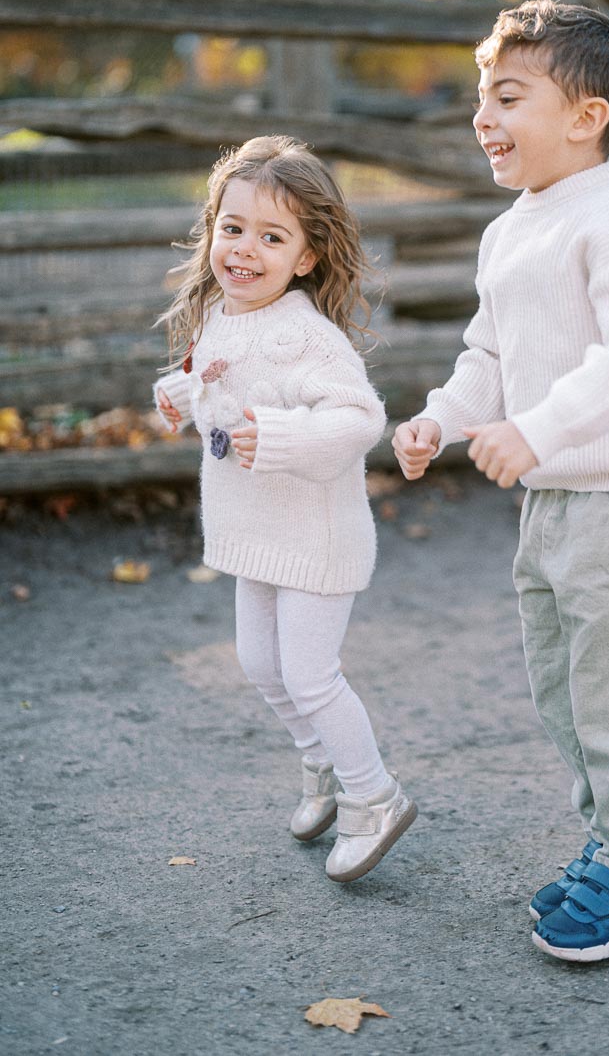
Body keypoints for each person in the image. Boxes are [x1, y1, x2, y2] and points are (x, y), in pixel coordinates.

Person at [393, 0, 609, 962]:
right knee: (565, 689)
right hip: (552, 504)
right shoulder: (511, 231)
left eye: (508, 97)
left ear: (585, 116)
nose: (482, 116)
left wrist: (536, 430)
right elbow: (489, 352)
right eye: (480, 97)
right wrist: (443, 417)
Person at [154, 135, 416, 883]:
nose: (245, 249)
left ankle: (374, 797)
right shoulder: (221, 313)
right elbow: (221, 382)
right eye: (232, 228)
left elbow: (360, 419)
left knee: (310, 675)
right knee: (259, 664)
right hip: (254, 530)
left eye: (272, 237)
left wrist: (279, 436)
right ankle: (320, 763)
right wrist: (182, 393)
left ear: (306, 257)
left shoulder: (305, 334)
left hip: (314, 535)